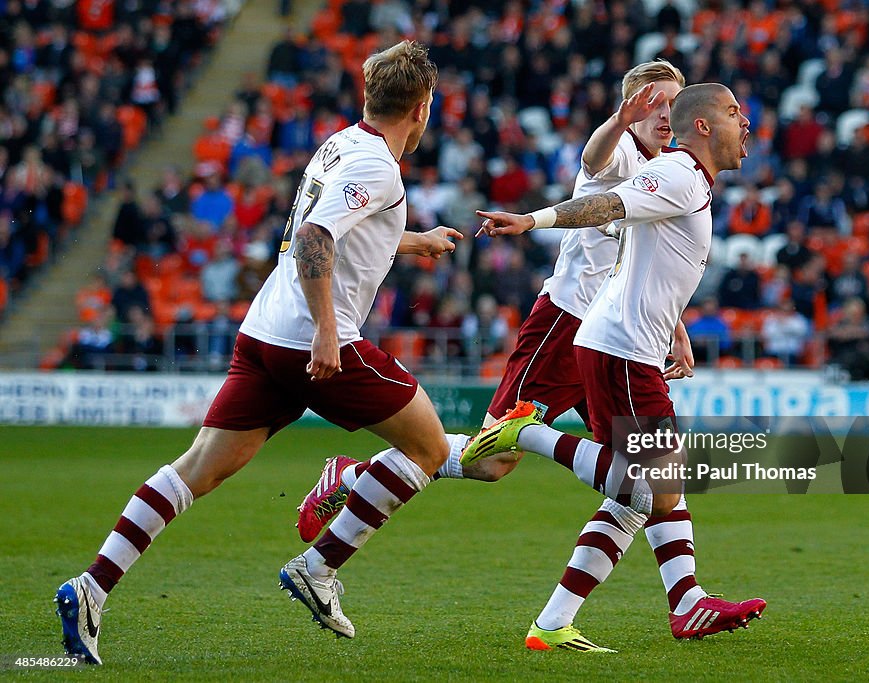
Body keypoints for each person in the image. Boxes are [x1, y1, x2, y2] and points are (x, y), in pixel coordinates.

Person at [54, 41, 464, 665]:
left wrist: (414, 241)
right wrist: (329, 331)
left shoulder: (340, 144)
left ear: (366, 97)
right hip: (314, 339)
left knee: (198, 468)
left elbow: (344, 230)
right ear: (424, 108)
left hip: (266, 331)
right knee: (430, 449)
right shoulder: (379, 166)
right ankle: (319, 562)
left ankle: (90, 588)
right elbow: (315, 236)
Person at [298, 60, 703, 651]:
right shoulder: (618, 154)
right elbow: (591, 160)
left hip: (617, 340)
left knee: (648, 476)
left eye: (674, 104)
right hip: (564, 329)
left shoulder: (670, 173)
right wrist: (619, 120)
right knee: (494, 460)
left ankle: (680, 603)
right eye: (655, 102)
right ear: (633, 106)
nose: (665, 114)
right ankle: (352, 476)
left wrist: (674, 328)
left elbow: (647, 269)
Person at [470, 83, 765, 641]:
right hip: (621, 351)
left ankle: (553, 624)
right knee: (660, 487)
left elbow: (642, 252)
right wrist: (533, 221)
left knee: (632, 497)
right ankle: (526, 433)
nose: (744, 123)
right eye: (732, 112)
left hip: (628, 346)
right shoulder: (678, 172)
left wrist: (675, 326)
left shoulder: (689, 180)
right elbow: (608, 202)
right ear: (701, 126)